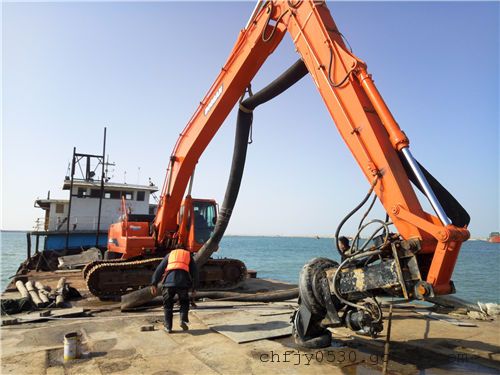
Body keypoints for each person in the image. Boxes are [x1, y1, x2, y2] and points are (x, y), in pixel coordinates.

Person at [151, 248, 198, 333]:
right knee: (184, 302)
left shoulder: (170, 255)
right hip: (183, 284)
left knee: (168, 305)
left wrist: (154, 284)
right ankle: (183, 320)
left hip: (168, 284)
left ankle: (168, 327)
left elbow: (159, 269)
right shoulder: (188, 256)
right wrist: (194, 288)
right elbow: (195, 273)